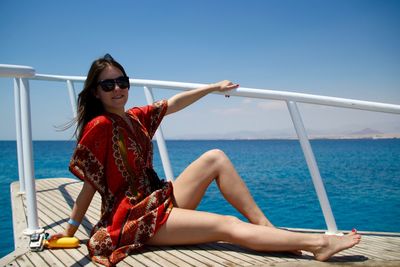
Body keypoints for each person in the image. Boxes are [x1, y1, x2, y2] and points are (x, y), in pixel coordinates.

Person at [50, 54, 361, 266]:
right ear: (95, 92)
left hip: (156, 200)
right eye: (108, 85)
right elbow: (90, 187)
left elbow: (172, 103)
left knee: (215, 157)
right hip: (133, 220)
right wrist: (69, 231)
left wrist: (213, 88)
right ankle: (319, 245)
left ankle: (268, 229)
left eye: (122, 81)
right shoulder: (100, 126)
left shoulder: (134, 118)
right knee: (226, 224)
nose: (118, 89)